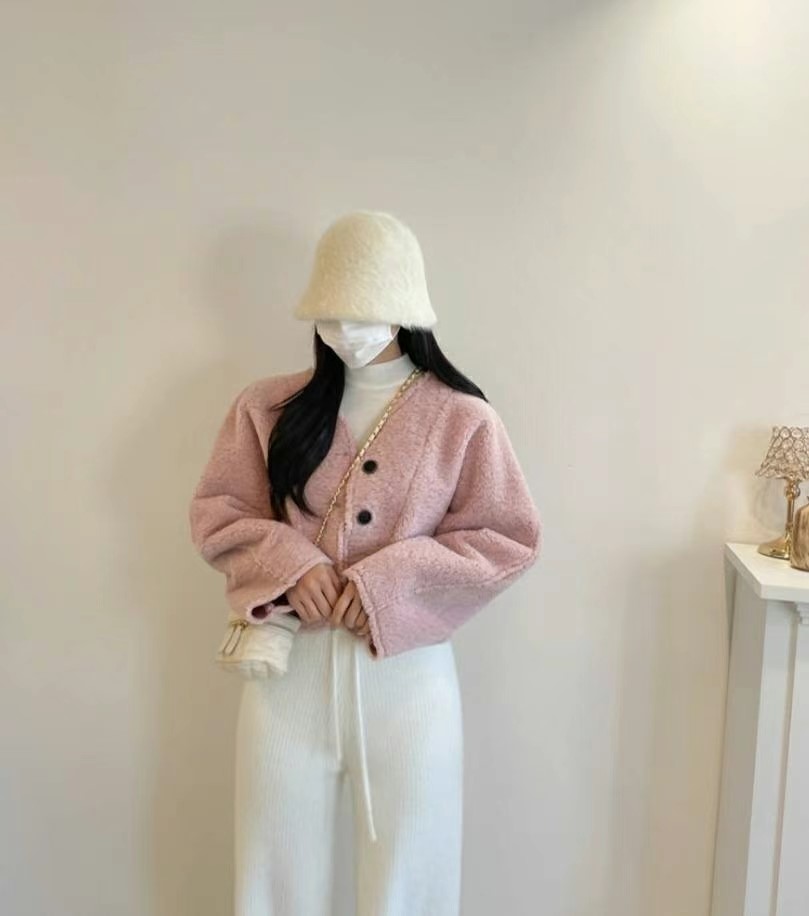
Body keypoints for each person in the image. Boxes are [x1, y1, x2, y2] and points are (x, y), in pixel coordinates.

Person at [188, 210, 542, 916]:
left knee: (412, 885)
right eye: (330, 312)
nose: (345, 329)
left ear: (404, 310)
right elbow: (218, 512)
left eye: (364, 311)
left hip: (408, 685)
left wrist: (388, 583)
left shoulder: (462, 418)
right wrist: (292, 565)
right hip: (285, 682)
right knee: (272, 884)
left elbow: (507, 538)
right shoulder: (267, 408)